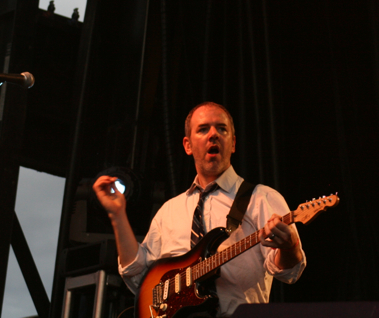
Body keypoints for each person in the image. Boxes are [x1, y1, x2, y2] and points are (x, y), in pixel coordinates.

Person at [93, 102, 306, 316]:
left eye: (222, 129)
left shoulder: (262, 198)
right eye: (203, 129)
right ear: (187, 145)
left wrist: (290, 247)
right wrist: (117, 215)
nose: (213, 134)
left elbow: (289, 272)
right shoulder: (169, 211)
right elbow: (139, 276)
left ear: (232, 143)